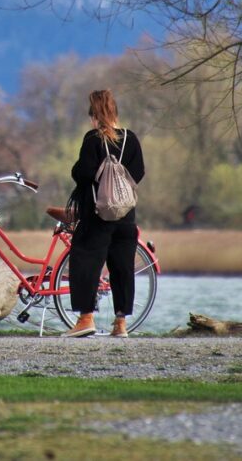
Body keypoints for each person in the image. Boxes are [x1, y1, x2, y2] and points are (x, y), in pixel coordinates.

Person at [62, 89, 145, 338]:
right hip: (125, 216)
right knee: (122, 267)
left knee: (85, 261)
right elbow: (138, 173)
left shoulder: (93, 139)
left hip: (97, 216)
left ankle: (86, 318)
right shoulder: (131, 139)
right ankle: (120, 324)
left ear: (94, 116)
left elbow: (83, 173)